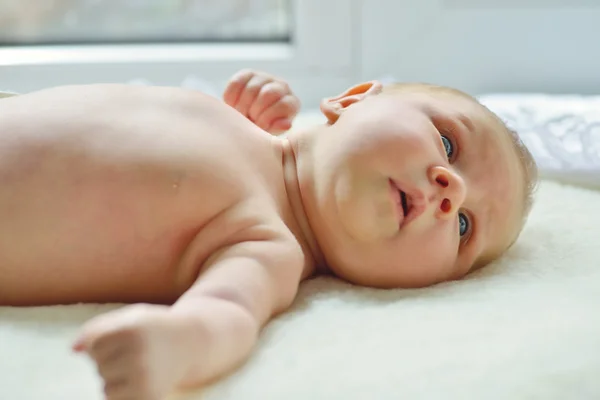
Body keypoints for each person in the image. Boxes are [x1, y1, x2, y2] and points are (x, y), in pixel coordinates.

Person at [0, 69, 537, 400]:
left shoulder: (267, 244)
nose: (452, 193)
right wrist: (249, 105)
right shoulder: (241, 125)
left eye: (465, 227)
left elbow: (227, 314)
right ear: (352, 101)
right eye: (447, 144)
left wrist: (176, 345)